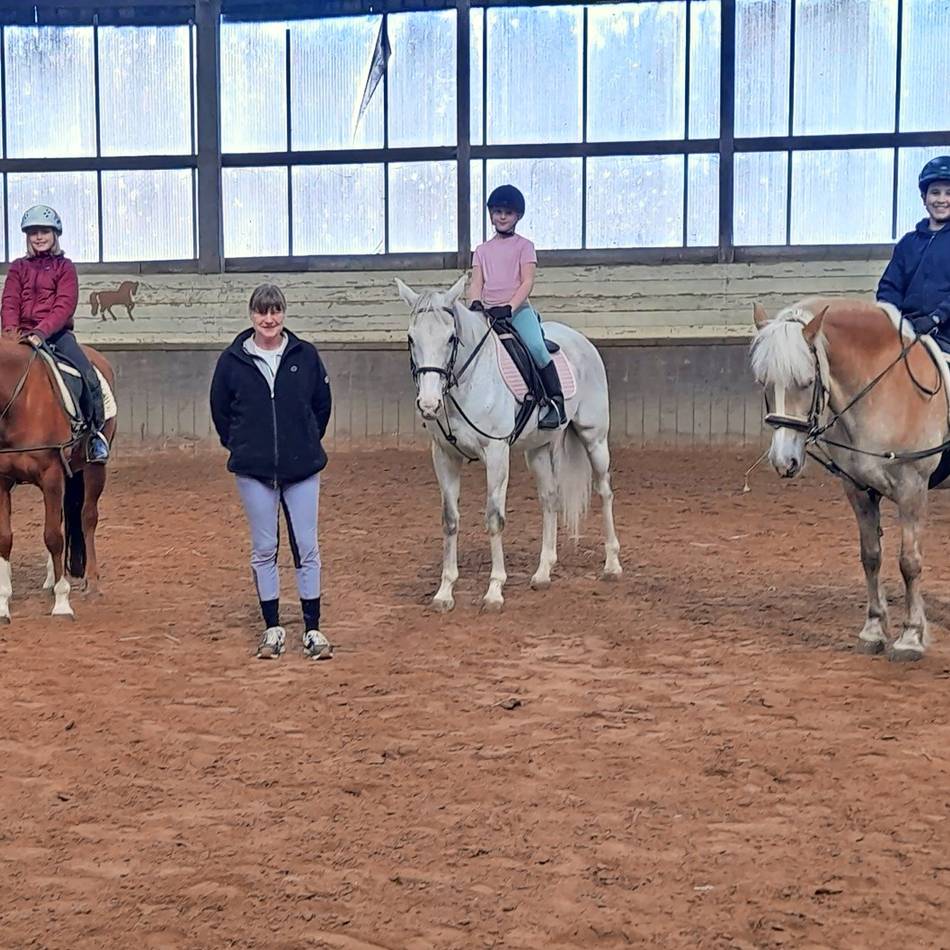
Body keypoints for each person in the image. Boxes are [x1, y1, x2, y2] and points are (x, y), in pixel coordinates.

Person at [210, 283, 333, 661]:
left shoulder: (306, 356)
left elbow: (321, 406)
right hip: (254, 471)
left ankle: (313, 629)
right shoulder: (232, 361)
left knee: (307, 548)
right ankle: (273, 628)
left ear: (284, 314)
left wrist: (305, 441)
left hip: (302, 469)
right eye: (262, 312)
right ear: (252, 316)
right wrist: (244, 447)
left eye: (275, 311)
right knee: (264, 549)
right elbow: (221, 412)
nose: (269, 319)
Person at [0, 205, 110, 462]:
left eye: (44, 232)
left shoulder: (65, 267)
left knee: (88, 375)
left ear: (55, 234)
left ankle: (94, 436)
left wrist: (41, 332)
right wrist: (10, 333)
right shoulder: (18, 267)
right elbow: (9, 301)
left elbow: (64, 305)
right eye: (34, 232)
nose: (39, 237)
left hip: (56, 335)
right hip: (18, 336)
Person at [468, 184, 566, 428]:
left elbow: (527, 281)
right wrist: (475, 303)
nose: (502, 216)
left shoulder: (525, 246)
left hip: (517, 311)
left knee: (535, 347)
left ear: (518, 216)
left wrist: (510, 307)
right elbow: (475, 283)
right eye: (498, 211)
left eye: (508, 213)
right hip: (489, 313)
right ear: (491, 213)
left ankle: (555, 402)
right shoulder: (481, 251)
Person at [877, 156, 950, 351]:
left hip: (946, 335)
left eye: (948, 193)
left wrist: (936, 318)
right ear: (924, 198)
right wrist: (895, 320)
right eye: (935, 193)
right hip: (907, 332)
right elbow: (889, 287)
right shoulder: (907, 244)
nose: (941, 200)